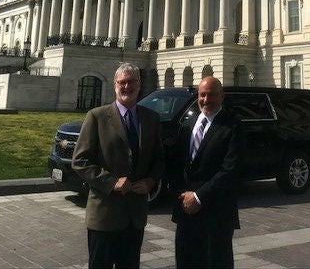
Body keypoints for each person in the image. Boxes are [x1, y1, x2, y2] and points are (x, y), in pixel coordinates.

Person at [72, 63, 163, 269]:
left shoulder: (151, 118)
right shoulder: (96, 117)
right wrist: (111, 182)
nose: (127, 87)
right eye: (122, 82)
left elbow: (159, 159)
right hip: (104, 215)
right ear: (115, 86)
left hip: (135, 216)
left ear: (139, 85)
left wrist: (150, 181)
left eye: (131, 82)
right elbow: (80, 161)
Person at [170, 76, 243, 269]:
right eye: (202, 95)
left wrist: (199, 196)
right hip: (186, 212)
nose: (206, 100)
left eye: (211, 95)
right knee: (186, 261)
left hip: (216, 213)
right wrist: (182, 195)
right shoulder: (189, 123)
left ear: (222, 96)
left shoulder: (233, 126)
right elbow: (177, 163)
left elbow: (230, 170)